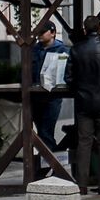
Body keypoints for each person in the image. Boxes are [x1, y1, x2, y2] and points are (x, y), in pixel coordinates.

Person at [64, 15, 100, 196]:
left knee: (84, 142)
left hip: (83, 103)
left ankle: (81, 184)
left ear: (84, 30)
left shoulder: (75, 50)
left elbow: (68, 78)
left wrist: (78, 91)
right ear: (99, 29)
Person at [30, 23, 69, 152]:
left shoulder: (62, 50)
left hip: (53, 97)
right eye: (38, 32)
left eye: (43, 32)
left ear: (52, 33)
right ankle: (54, 159)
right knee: (42, 132)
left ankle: (52, 162)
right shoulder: (34, 50)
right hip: (36, 96)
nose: (39, 35)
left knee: (46, 131)